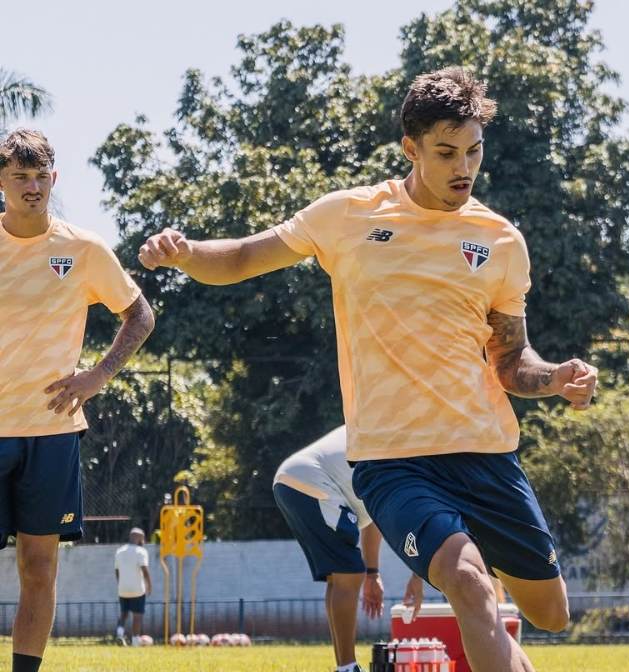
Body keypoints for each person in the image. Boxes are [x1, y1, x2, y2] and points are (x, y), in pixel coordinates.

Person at [138, 67, 597, 672]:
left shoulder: (501, 241)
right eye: (446, 152)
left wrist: (555, 377)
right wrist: (188, 255)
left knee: (549, 613)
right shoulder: (348, 218)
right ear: (411, 149)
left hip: (486, 454)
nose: (464, 167)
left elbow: (510, 360)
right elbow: (247, 255)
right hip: (393, 462)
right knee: (469, 583)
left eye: (474, 151)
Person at [0, 129, 155, 672]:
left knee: (39, 568)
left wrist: (98, 375)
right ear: (2, 182)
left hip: (52, 433)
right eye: (20, 176)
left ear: (54, 179)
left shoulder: (83, 249)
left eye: (40, 176)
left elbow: (140, 315)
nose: (32, 186)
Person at [274, 425, 423, 672]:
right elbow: (412, 520)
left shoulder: (384, 425)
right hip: (311, 481)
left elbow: (374, 516)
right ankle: (347, 668)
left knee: (341, 575)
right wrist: (419, 575)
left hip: (292, 480)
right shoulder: (401, 441)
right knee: (348, 573)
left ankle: (345, 666)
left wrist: (373, 573)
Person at [114, 528, 152, 646]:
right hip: (137, 590)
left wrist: (120, 583)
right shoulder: (141, 551)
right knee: (137, 615)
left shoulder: (119, 551)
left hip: (122, 589)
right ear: (138, 538)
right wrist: (149, 585)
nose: (143, 541)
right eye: (142, 538)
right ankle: (135, 641)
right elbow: (145, 570)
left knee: (124, 614)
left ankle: (119, 634)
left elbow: (117, 571)